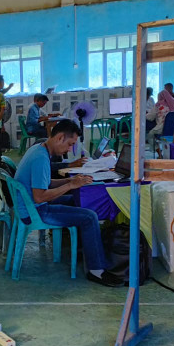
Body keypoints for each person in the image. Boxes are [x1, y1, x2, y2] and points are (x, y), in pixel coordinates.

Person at [14, 119, 123, 287]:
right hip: (35, 211)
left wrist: (72, 184)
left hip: (30, 206)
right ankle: (97, 270)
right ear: (60, 138)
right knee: (89, 216)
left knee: (77, 200)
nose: (70, 149)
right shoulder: (40, 158)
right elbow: (40, 196)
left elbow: (46, 183)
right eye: (70, 144)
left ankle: (87, 247)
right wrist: (70, 184)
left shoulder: (38, 149)